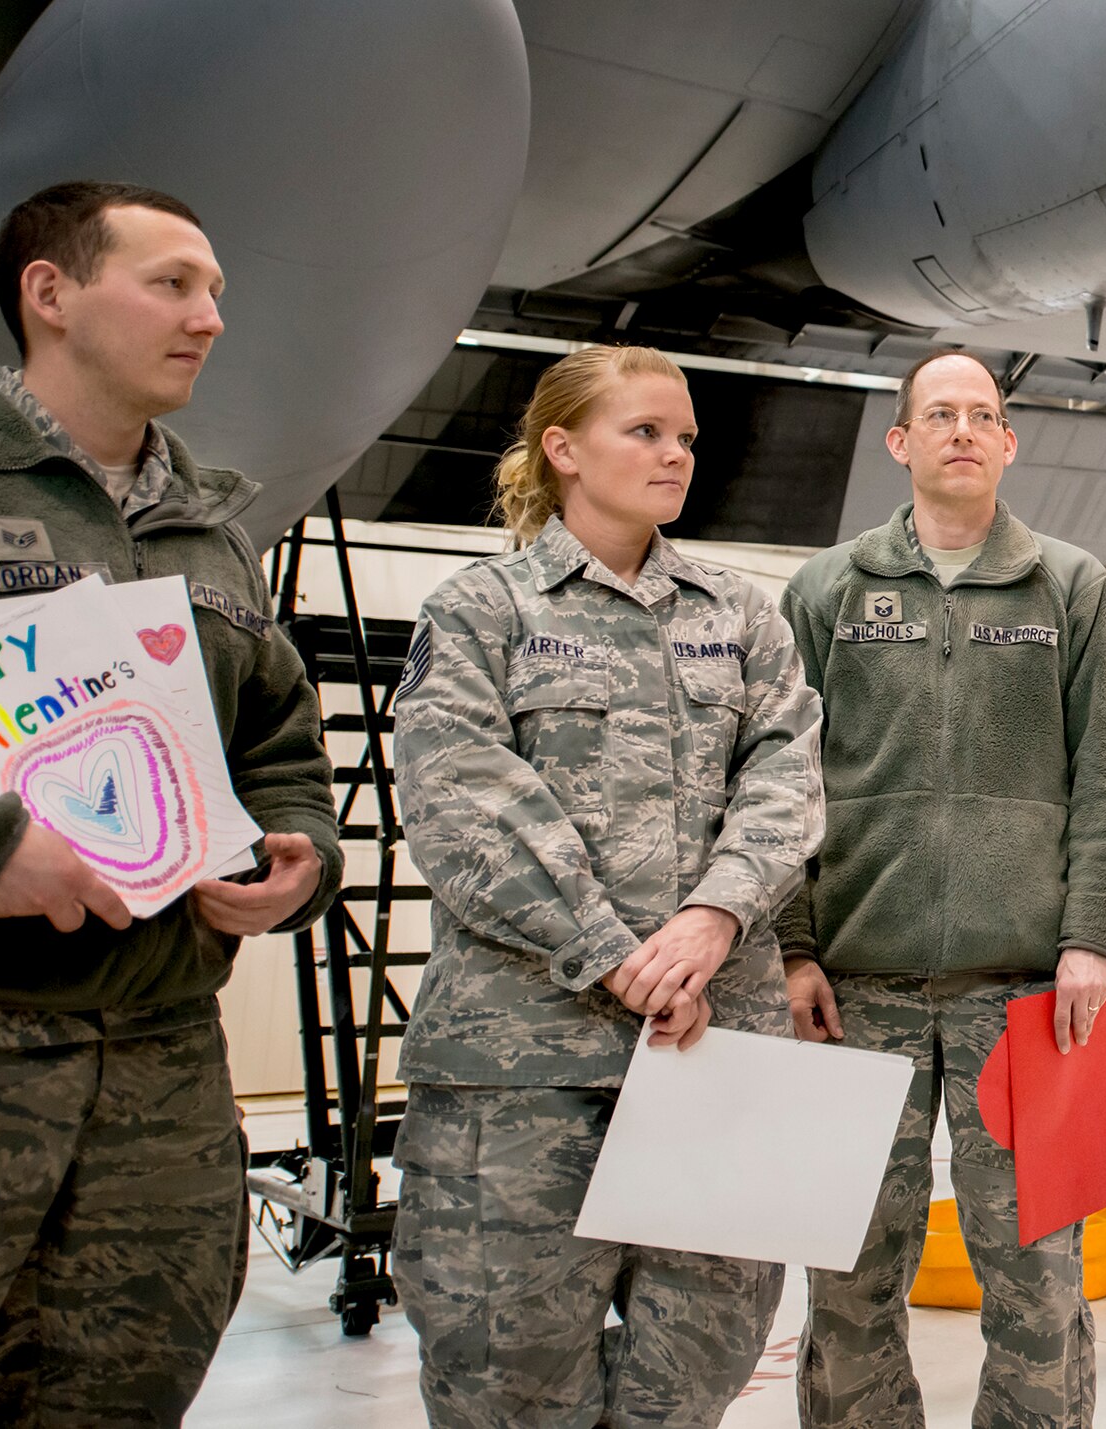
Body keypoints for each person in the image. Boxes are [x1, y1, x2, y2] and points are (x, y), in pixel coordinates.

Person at [0, 180, 341, 1423]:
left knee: (123, 1389)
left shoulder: (210, 524)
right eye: (172, 282)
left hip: (162, 1064)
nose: (209, 315)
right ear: (50, 294)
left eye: (215, 289)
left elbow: (275, 736)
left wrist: (300, 853)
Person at [390, 343, 825, 1429]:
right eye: (644, 432)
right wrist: (617, 956)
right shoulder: (481, 610)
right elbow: (465, 805)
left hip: (714, 1049)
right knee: (508, 1365)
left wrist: (713, 918)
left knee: (701, 1359)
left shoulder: (741, 614)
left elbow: (786, 777)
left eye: (684, 437)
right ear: (562, 448)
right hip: (521, 1064)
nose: (674, 454)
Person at [778, 349, 1106, 1429]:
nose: (960, 430)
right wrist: (793, 945)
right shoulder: (825, 593)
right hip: (854, 990)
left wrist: (1090, 937)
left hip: (1028, 993)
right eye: (937, 414)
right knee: (845, 1272)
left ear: (1006, 442)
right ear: (898, 442)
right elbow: (775, 779)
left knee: (1036, 1272)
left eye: (981, 414)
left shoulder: (1068, 586)